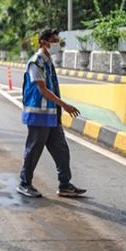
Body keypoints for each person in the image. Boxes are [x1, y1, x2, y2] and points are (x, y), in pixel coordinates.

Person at [18, 28, 86, 198]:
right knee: (33, 150)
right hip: (39, 115)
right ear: (43, 42)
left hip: (52, 115)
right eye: (54, 41)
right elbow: (42, 89)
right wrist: (65, 105)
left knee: (61, 150)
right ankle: (24, 183)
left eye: (58, 41)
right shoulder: (36, 62)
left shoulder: (48, 60)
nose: (57, 44)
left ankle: (65, 184)